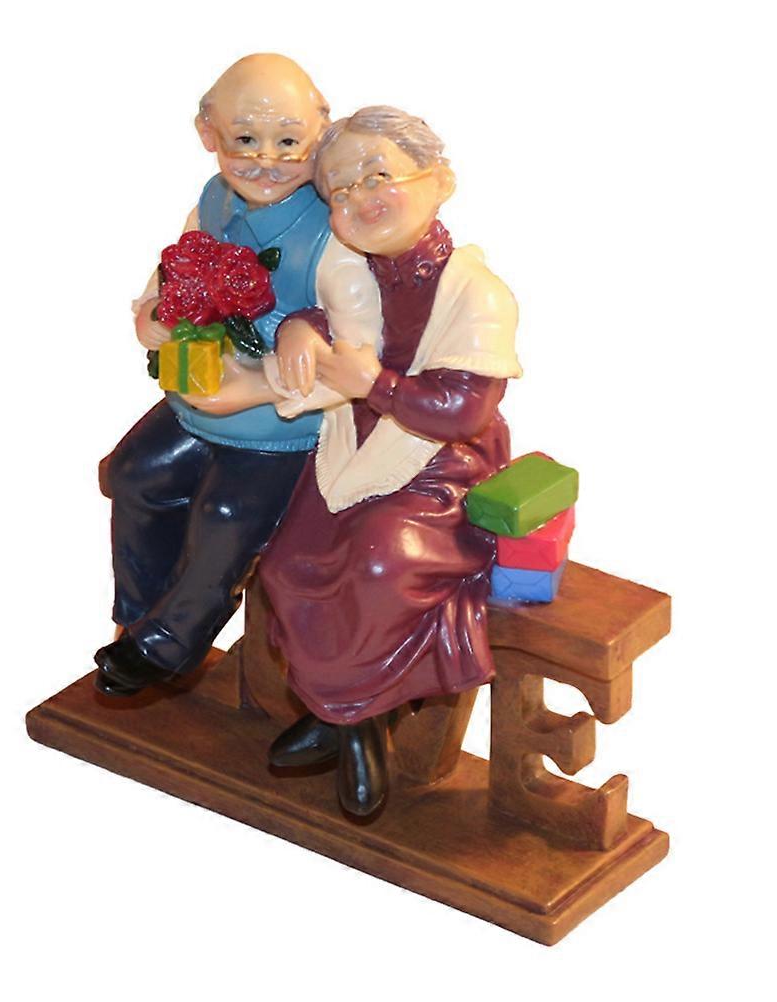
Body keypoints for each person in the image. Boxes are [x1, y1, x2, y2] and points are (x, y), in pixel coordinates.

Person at [259, 107, 522, 816]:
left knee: (381, 560)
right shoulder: (356, 275)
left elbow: (463, 410)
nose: (361, 197)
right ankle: (349, 714)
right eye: (341, 190)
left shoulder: (477, 293)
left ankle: (349, 725)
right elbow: (339, 324)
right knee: (290, 561)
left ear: (439, 180)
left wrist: (372, 383)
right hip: (360, 444)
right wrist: (298, 329)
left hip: (447, 463)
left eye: (378, 175)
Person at [94, 55, 379, 695]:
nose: (266, 160)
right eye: (245, 139)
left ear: (321, 131)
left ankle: (170, 644)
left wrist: (256, 387)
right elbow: (174, 265)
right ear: (208, 133)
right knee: (137, 470)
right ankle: (138, 617)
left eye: (288, 141)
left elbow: (359, 362)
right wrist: (152, 311)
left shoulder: (335, 232)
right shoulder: (213, 200)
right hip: (197, 398)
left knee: (225, 511)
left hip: (288, 428)